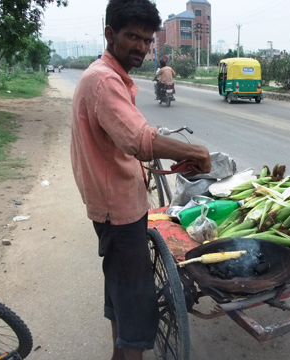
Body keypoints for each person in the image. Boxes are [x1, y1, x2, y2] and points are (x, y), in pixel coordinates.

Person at [70, 1, 211, 359]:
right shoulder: (103, 80)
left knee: (121, 294)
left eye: (147, 40)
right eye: (133, 37)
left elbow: (128, 137)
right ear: (110, 34)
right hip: (118, 212)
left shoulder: (107, 75)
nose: (141, 47)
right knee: (136, 311)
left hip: (111, 206)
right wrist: (192, 151)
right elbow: (140, 141)